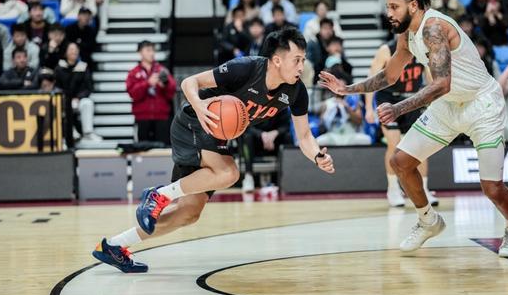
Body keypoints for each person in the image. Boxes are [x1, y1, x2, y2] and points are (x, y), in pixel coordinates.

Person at [318, 0, 508, 257]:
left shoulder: (434, 28)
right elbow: (390, 75)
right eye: (388, 7)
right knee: (400, 161)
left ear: (413, 5)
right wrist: (347, 89)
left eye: (394, 7)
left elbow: (441, 83)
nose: (389, 13)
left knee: (491, 187)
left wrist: (399, 107)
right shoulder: (407, 34)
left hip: (482, 104)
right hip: (449, 104)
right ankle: (428, 220)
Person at [91, 28, 335, 273]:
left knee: (188, 212)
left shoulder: (296, 91)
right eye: (297, 60)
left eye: (303, 60)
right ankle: (158, 195)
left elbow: (304, 136)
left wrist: (317, 156)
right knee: (229, 173)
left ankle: (114, 246)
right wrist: (199, 106)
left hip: (216, 137)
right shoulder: (246, 68)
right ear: (277, 60)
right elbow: (190, 82)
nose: (302, 66)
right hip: (193, 122)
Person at [364, 39, 438, 207]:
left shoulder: (421, 49)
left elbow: (431, 78)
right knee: (394, 144)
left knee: (420, 146)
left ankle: (424, 189)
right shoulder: (386, 50)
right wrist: (368, 108)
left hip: (412, 100)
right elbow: (371, 80)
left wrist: (435, 100)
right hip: (389, 100)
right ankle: (393, 189)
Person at [126, 40, 177, 144]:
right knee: (142, 149)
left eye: (153, 50)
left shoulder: (162, 70)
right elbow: (133, 94)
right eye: (148, 50)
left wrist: (165, 85)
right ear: (140, 52)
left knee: (163, 149)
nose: (152, 53)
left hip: (162, 117)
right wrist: (147, 83)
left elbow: (172, 91)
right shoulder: (134, 72)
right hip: (142, 118)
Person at [55, 42, 101, 145]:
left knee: (87, 103)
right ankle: (69, 133)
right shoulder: (59, 68)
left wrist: (79, 97)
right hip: (64, 100)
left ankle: (87, 133)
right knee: (64, 106)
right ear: (66, 52)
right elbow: (57, 86)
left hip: (78, 100)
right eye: (71, 49)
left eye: (76, 49)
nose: (74, 52)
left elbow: (88, 87)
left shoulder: (83, 67)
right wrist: (66, 98)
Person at [240, 106, 293, 192]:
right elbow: (246, 126)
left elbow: (286, 126)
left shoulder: (281, 104)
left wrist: (274, 134)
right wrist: (262, 135)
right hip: (256, 140)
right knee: (247, 137)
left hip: (274, 140)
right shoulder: (251, 102)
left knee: (288, 137)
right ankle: (248, 176)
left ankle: (287, 176)